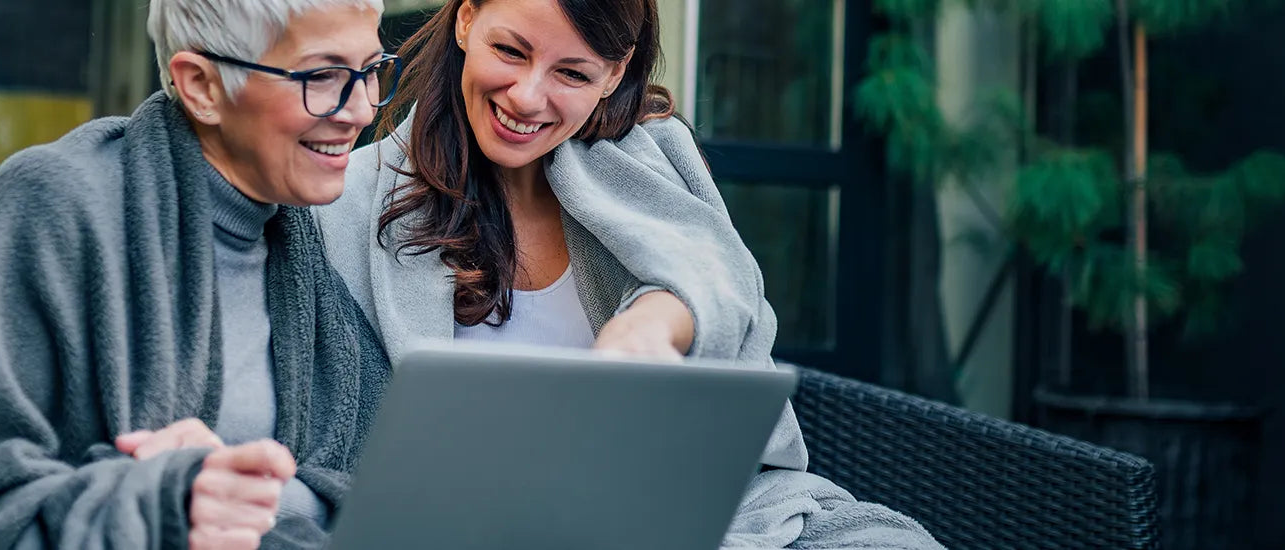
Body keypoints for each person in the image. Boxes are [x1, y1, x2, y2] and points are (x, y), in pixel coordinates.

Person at [314, 0, 943, 547]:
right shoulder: (350, 201)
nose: (528, 97)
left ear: (614, 73)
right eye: (510, 51)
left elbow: (720, 282)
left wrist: (651, 325)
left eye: (572, 72)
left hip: (670, 508)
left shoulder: (652, 161)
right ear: (467, 21)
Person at [0, 0, 396, 548]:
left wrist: (251, 504)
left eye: (370, 71)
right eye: (322, 76)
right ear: (201, 85)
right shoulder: (51, 206)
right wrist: (158, 502)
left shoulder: (301, 246)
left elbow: (370, 476)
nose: (363, 109)